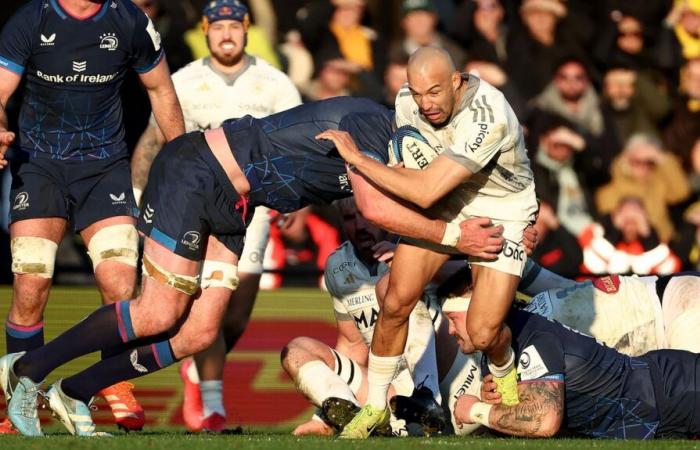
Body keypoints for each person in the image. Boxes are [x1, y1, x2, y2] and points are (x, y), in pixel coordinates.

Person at [0, 97, 506, 437]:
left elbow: (404, 204)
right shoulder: (373, 125)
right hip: (196, 173)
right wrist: (455, 235)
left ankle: (75, 391)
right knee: (157, 313)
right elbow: (376, 209)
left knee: (198, 334)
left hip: (236, 204)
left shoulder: (391, 145)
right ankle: (24, 371)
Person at [321, 46, 538, 438]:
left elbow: (421, 191)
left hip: (502, 211)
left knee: (484, 333)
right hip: (446, 201)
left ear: (457, 81)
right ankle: (374, 408)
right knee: (395, 298)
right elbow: (408, 174)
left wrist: (357, 158)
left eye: (435, 92)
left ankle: (508, 388)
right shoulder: (408, 103)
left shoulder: (488, 115)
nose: (425, 104)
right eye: (418, 93)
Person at [0, 0, 184, 433]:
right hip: (40, 165)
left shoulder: (129, 20)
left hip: (104, 168)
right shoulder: (32, 18)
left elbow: (160, 90)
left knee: (120, 283)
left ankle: (112, 385)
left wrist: (183, 163)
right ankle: (17, 396)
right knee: (32, 283)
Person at [131, 0, 302, 433]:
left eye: (234, 26)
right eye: (218, 27)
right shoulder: (184, 81)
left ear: (247, 30)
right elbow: (153, 143)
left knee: (236, 314)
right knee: (209, 305)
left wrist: (298, 199)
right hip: (199, 207)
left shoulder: (274, 83)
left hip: (257, 209)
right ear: (204, 31)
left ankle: (196, 364)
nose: (226, 34)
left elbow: (300, 145)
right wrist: (138, 203)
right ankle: (211, 404)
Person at [282, 197, 456, 437]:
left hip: (449, 381)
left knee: (393, 288)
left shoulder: (414, 243)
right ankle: (350, 418)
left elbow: (469, 273)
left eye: (365, 215)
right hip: (389, 391)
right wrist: (321, 416)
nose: (360, 225)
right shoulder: (337, 265)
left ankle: (427, 399)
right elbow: (352, 344)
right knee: (296, 350)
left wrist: (417, 266)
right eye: (350, 218)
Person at [445, 293, 700, 439]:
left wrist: (476, 410)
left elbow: (543, 422)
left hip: (674, 389)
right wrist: (498, 401)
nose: (449, 329)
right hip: (649, 416)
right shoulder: (497, 350)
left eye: (453, 318)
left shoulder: (534, 338)